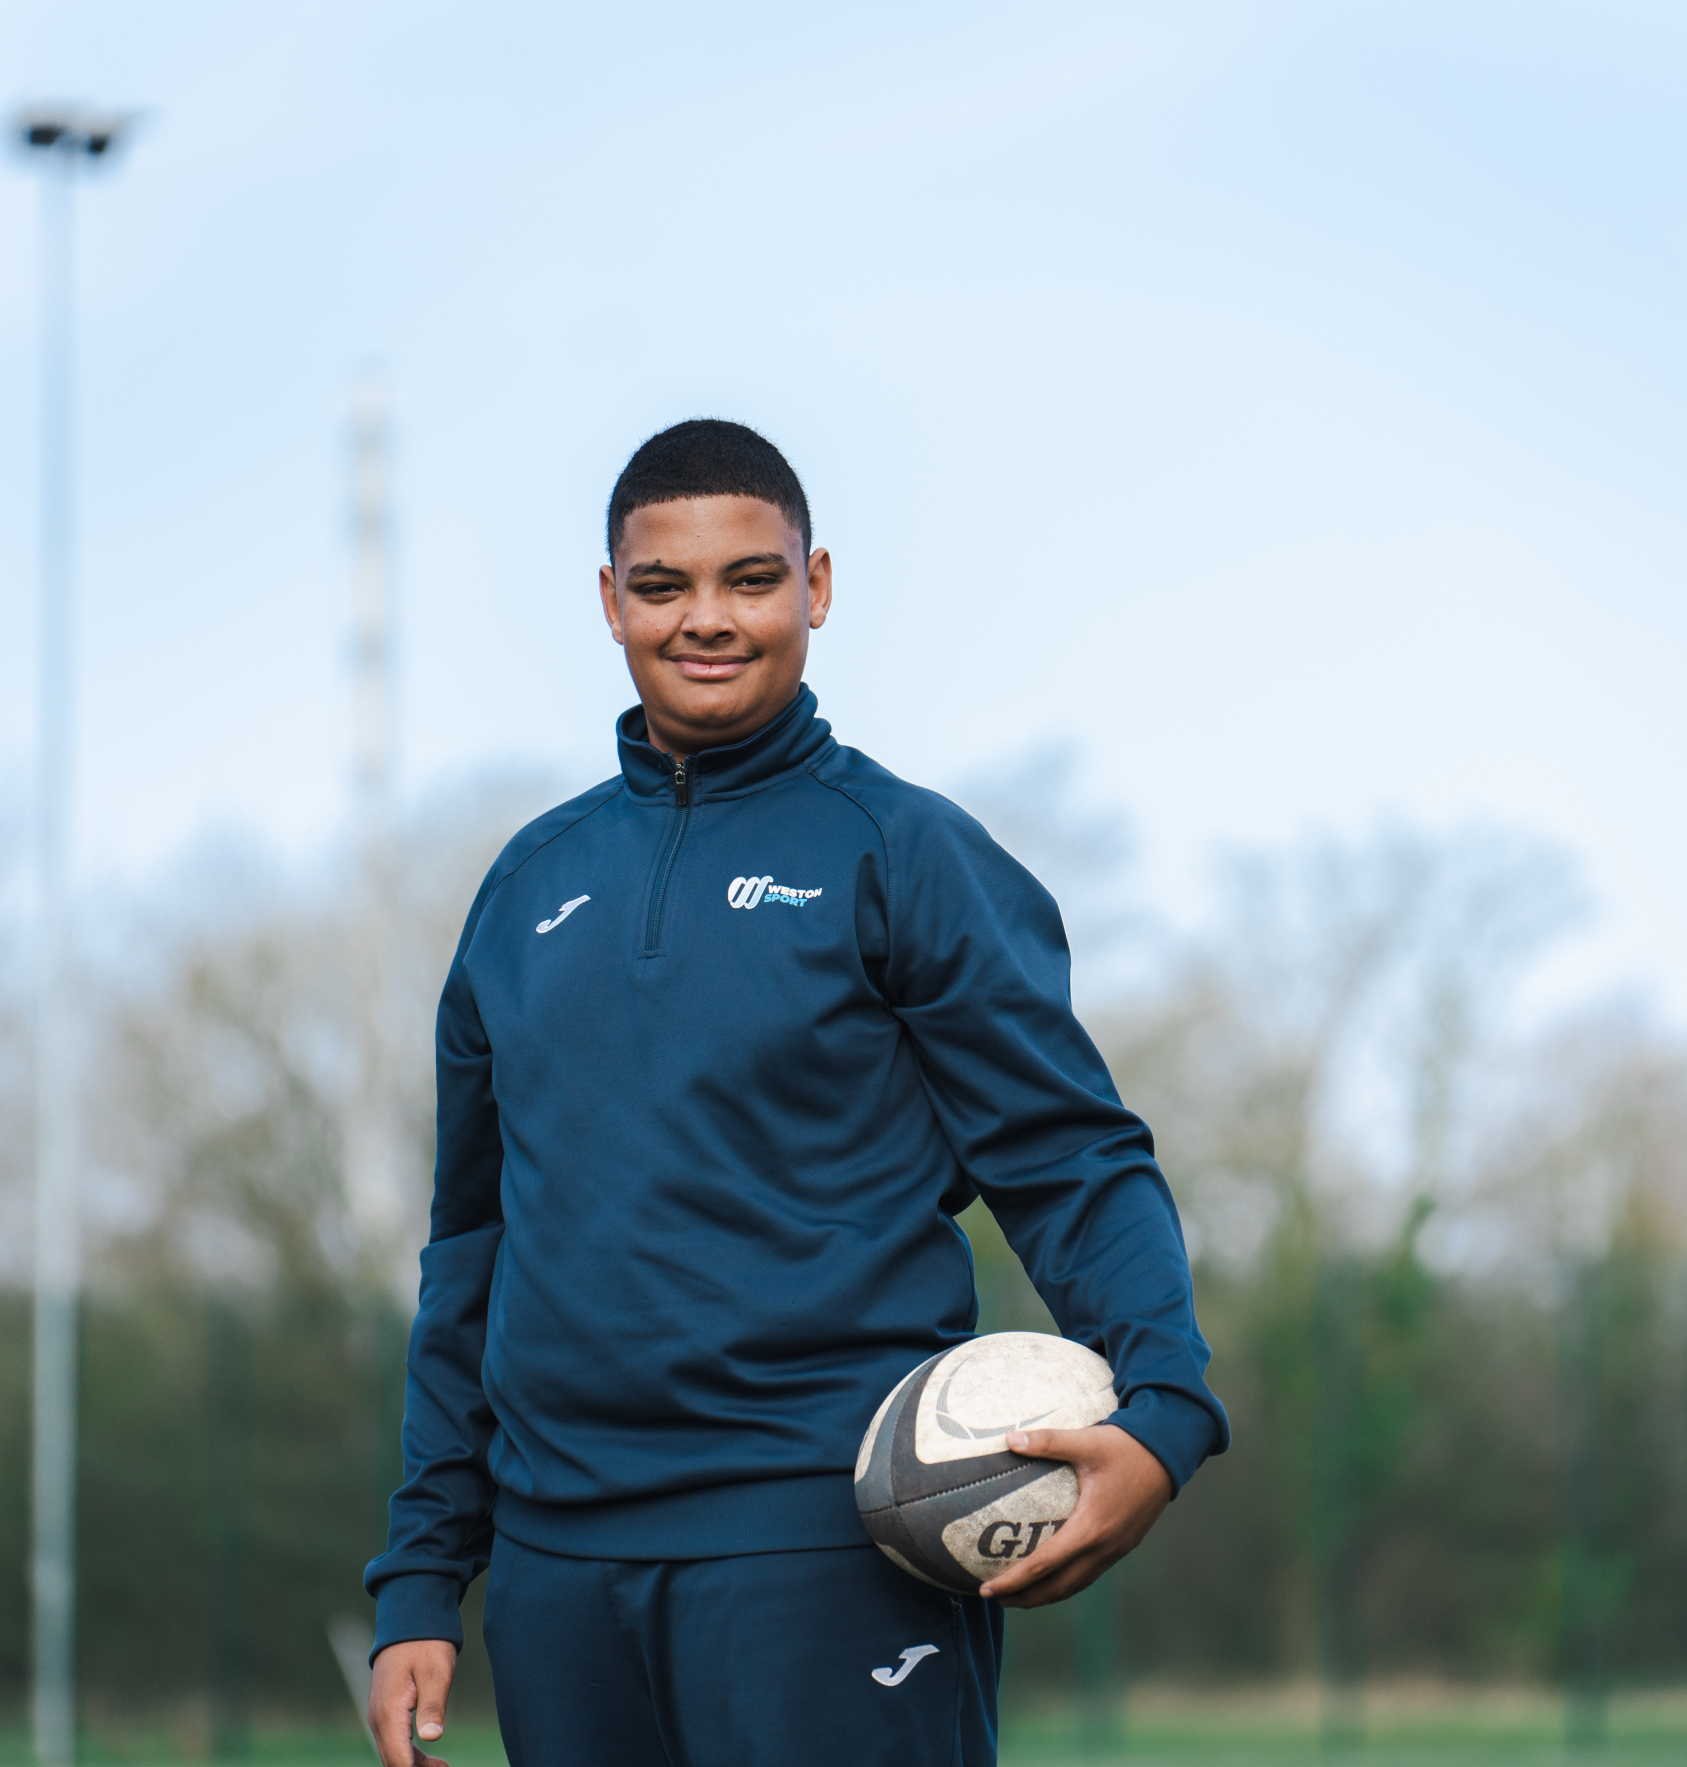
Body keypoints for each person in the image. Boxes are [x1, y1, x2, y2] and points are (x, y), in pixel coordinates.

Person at [362, 419, 1228, 1767]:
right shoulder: (526, 889)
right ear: (609, 603)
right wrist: (423, 1576)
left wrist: (1165, 1414)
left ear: (815, 587)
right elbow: (472, 1250)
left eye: (750, 580)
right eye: (663, 587)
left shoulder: (906, 856)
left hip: (823, 1546)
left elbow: (1070, 1165)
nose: (707, 619)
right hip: (558, 1570)